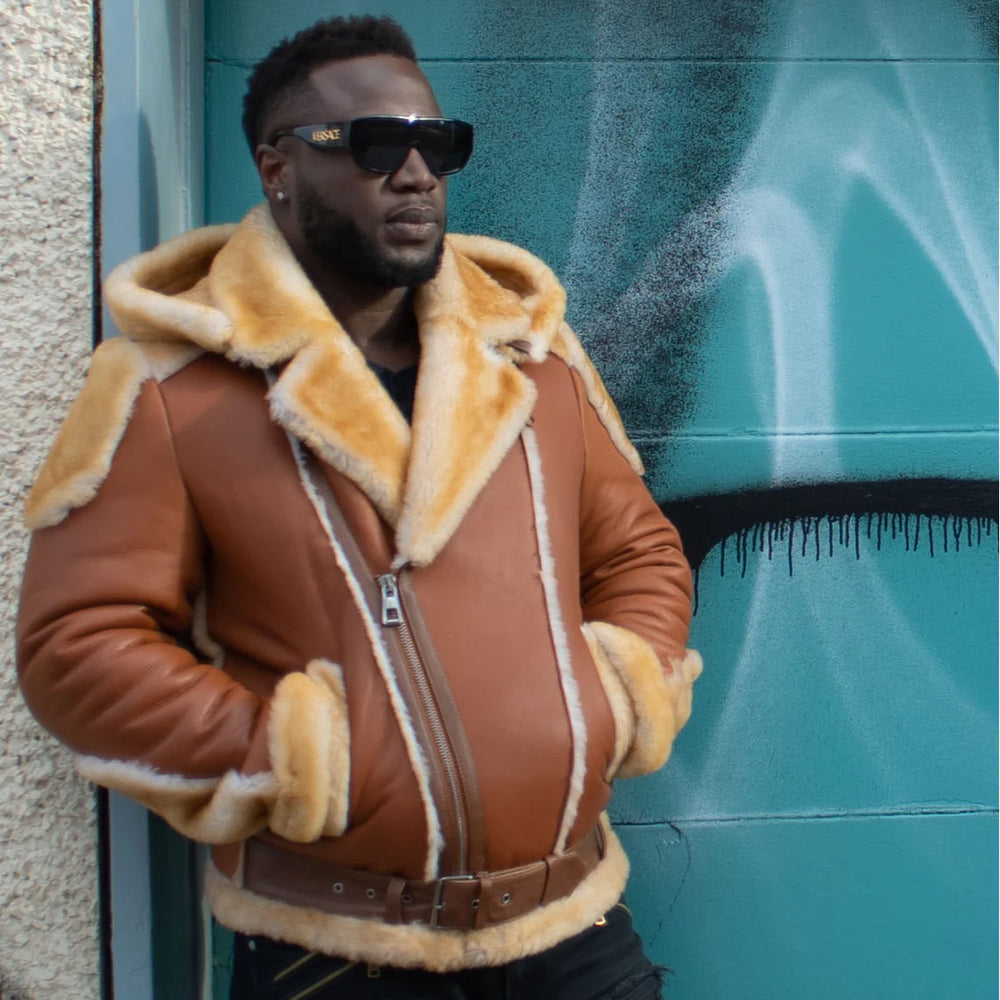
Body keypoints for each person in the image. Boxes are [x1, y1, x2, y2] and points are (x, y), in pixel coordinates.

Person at [17, 14, 701, 1000]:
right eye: (379, 145)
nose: (418, 173)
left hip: (569, 920)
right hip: (332, 947)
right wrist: (292, 757)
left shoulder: (533, 361)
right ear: (278, 167)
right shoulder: (172, 390)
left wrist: (619, 693)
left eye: (439, 144)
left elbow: (637, 550)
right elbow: (77, 645)